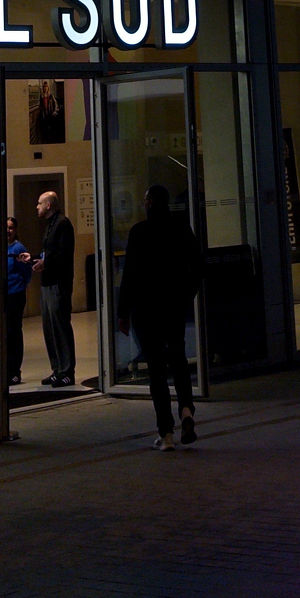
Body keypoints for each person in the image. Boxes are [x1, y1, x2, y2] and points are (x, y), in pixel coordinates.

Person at [116, 184, 203, 449]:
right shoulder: (181, 228)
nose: (143, 203)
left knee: (156, 368)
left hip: (147, 309)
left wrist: (123, 312)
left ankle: (166, 434)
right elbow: (198, 265)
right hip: (174, 305)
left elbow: (129, 274)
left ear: (151, 202)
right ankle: (186, 411)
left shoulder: (139, 232)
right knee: (178, 358)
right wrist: (187, 294)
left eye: (145, 199)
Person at [34, 189, 77, 385]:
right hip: (47, 282)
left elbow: (64, 254)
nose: (37, 207)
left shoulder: (62, 224)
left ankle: (67, 371)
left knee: (60, 327)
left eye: (39, 203)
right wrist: (34, 258)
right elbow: (50, 252)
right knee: (49, 328)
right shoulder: (50, 225)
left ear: (48, 205)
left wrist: (46, 263)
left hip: (58, 283)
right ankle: (57, 368)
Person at [4, 225, 35, 386]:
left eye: (11, 228)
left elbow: (26, 271)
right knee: (6, 333)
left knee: (14, 331)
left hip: (15, 293)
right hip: (4, 294)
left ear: (15, 231)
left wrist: (21, 285)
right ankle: (6, 369)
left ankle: (15, 372)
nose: (7, 231)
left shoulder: (18, 248)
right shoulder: (1, 247)